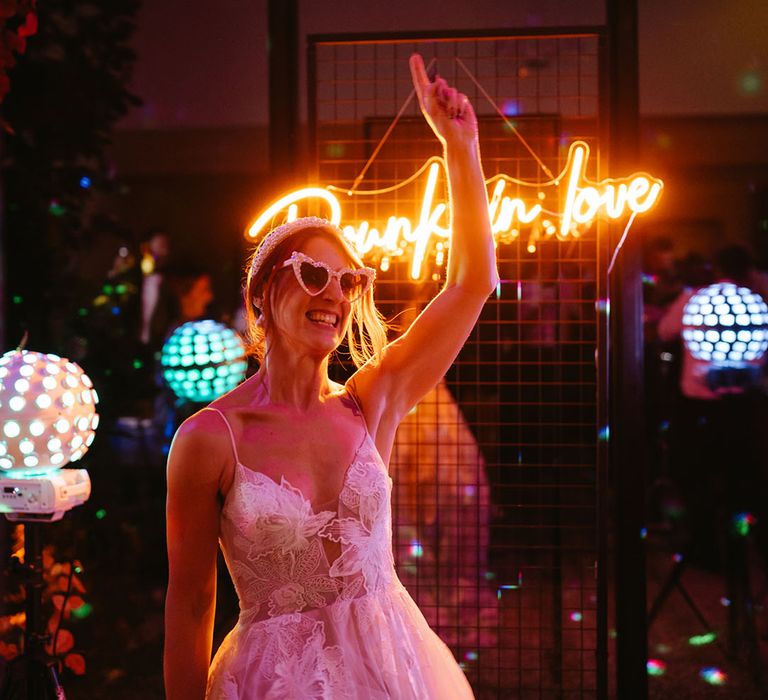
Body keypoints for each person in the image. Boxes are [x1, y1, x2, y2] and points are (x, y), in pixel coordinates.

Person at [164, 54, 498, 699]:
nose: (335, 294)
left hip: (392, 671)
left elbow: (472, 284)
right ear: (263, 294)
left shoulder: (372, 400)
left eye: (348, 280)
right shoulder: (209, 439)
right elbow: (189, 607)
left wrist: (461, 147)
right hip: (277, 682)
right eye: (313, 274)